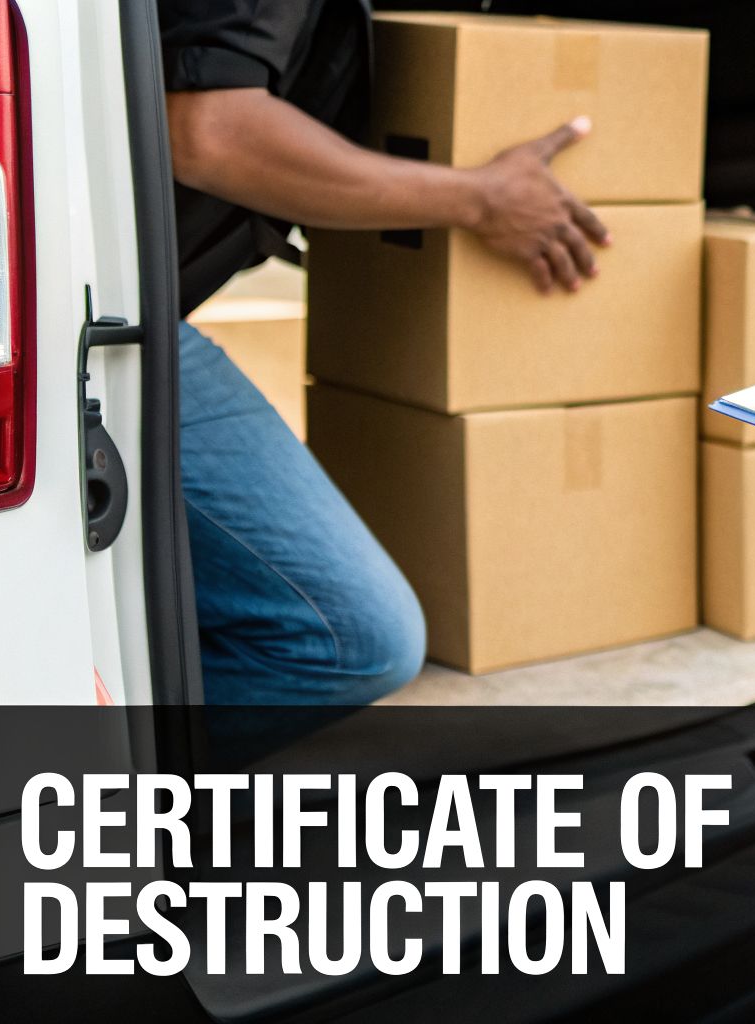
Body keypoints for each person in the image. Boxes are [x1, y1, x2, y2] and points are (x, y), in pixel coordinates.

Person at [160, 0, 609, 704]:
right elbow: (211, 131)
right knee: (350, 639)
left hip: (144, 302)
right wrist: (478, 199)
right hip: (88, 314)